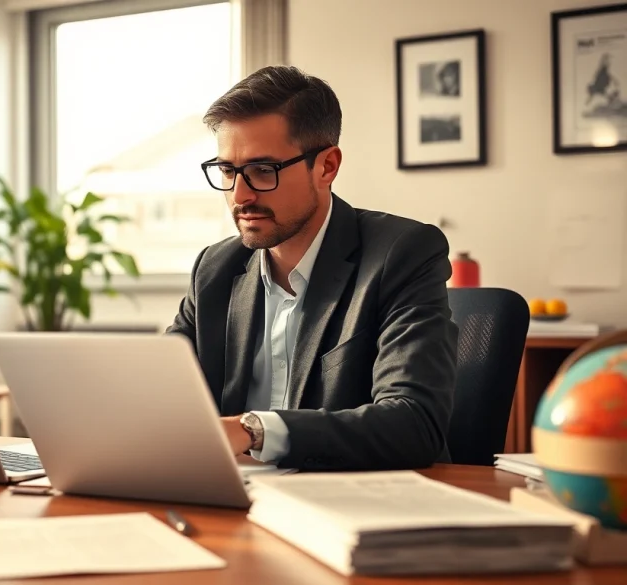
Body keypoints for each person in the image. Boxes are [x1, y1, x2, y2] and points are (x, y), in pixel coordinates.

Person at [166, 65, 458, 472]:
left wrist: (254, 431)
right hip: (236, 491)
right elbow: (160, 394)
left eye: (263, 170)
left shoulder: (402, 254)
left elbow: (413, 424)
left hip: (354, 496)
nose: (240, 195)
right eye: (228, 171)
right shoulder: (214, 269)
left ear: (326, 166)